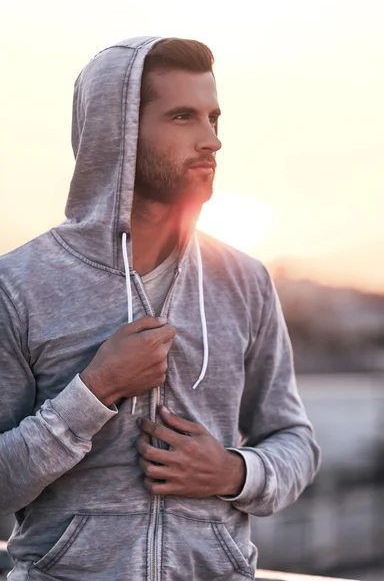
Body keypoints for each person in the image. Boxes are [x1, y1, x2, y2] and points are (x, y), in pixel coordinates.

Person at [0, 36, 321, 581]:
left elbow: (295, 442)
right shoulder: (19, 284)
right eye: (182, 117)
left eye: (214, 118)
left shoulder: (245, 280)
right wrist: (94, 391)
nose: (211, 140)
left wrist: (233, 471)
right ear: (118, 134)